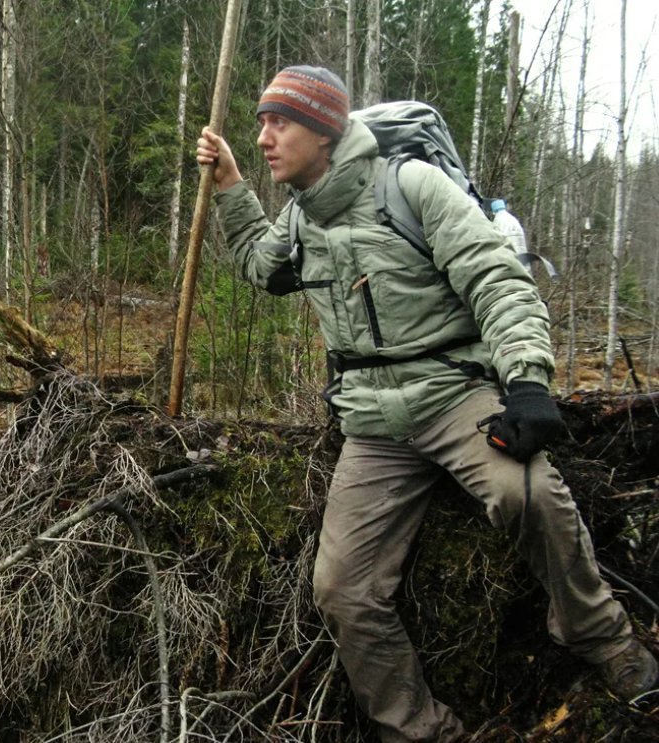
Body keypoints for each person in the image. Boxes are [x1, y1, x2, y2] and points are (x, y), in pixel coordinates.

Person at [196, 65, 657, 742]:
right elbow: (262, 269)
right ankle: (421, 729)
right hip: (373, 424)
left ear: (324, 132)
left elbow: (497, 280)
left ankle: (604, 638)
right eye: (261, 122)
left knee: (526, 494)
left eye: (279, 121)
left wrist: (527, 383)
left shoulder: (409, 186)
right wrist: (232, 186)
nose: (264, 135)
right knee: (342, 589)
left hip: (454, 393)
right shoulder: (302, 215)